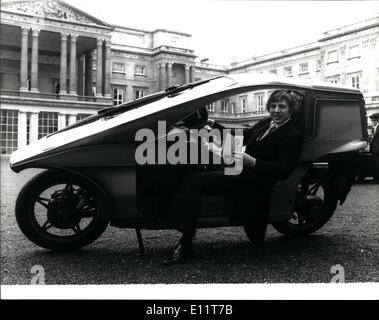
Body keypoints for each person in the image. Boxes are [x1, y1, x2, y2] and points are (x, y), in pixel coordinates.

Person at [163, 89, 305, 265]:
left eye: (282, 107)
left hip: (254, 181)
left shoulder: (294, 136)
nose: (276, 110)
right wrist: (212, 125)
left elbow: (284, 170)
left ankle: (185, 243)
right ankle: (174, 219)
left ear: (291, 110)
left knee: (195, 180)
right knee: (190, 170)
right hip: (239, 168)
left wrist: (252, 161)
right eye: (273, 106)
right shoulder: (266, 122)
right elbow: (242, 137)